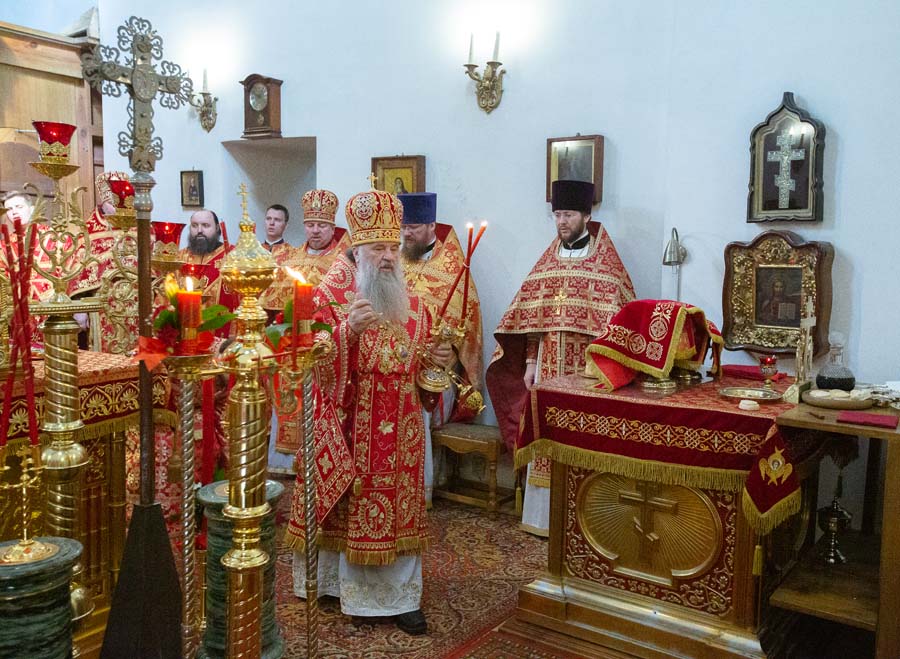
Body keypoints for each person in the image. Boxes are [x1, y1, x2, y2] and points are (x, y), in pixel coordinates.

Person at [286, 186, 452, 636]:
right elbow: (306, 362)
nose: (387, 257)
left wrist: (434, 366)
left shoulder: (414, 304)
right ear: (357, 250)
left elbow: (422, 378)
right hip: (349, 427)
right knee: (348, 507)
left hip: (400, 433)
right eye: (377, 248)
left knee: (400, 512)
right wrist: (346, 334)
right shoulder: (328, 298)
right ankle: (341, 588)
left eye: (392, 248)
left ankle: (399, 598)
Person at [485, 180, 635, 536]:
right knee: (547, 436)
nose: (561, 221)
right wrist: (531, 364)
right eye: (556, 215)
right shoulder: (547, 264)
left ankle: (585, 520)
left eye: (568, 214)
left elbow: (619, 321)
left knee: (582, 438)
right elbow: (533, 319)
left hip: (587, 369)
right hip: (550, 364)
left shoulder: (606, 266)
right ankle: (542, 520)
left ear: (586, 215)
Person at [398, 192, 484, 505]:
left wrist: (452, 350)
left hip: (436, 372)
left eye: (415, 226)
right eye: (404, 226)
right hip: (397, 359)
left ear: (432, 225)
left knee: (415, 399)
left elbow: (469, 320)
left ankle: (418, 490)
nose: (407, 233)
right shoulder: (394, 262)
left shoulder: (453, 268)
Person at [264, 189, 350, 473]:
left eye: (322, 225)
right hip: (291, 345)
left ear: (332, 226)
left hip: (324, 344)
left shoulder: (342, 262)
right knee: (288, 398)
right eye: (311, 224)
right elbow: (274, 303)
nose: (315, 230)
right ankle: (285, 462)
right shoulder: (289, 259)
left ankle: (319, 461)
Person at [178, 209, 238, 328]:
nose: (199, 230)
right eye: (195, 226)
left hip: (221, 333)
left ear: (217, 228)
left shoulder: (233, 256)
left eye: (205, 225)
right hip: (184, 329)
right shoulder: (179, 257)